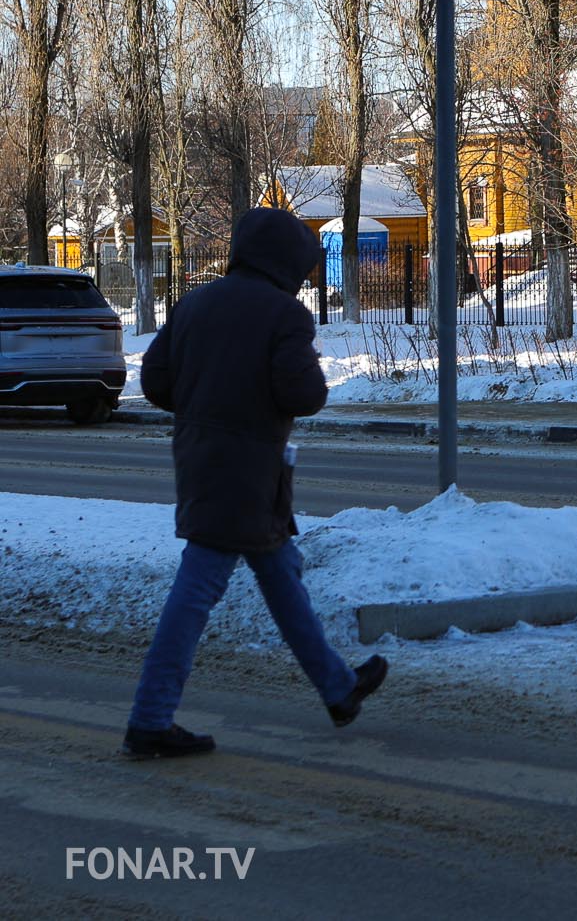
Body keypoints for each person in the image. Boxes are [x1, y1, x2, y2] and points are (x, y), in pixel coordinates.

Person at [122, 207, 388, 759]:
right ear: (287, 263)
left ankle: (339, 690)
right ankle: (149, 719)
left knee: (281, 571)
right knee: (197, 590)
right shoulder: (284, 315)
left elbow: (154, 379)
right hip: (250, 470)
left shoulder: (194, 302)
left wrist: (203, 410)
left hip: (201, 458)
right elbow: (304, 395)